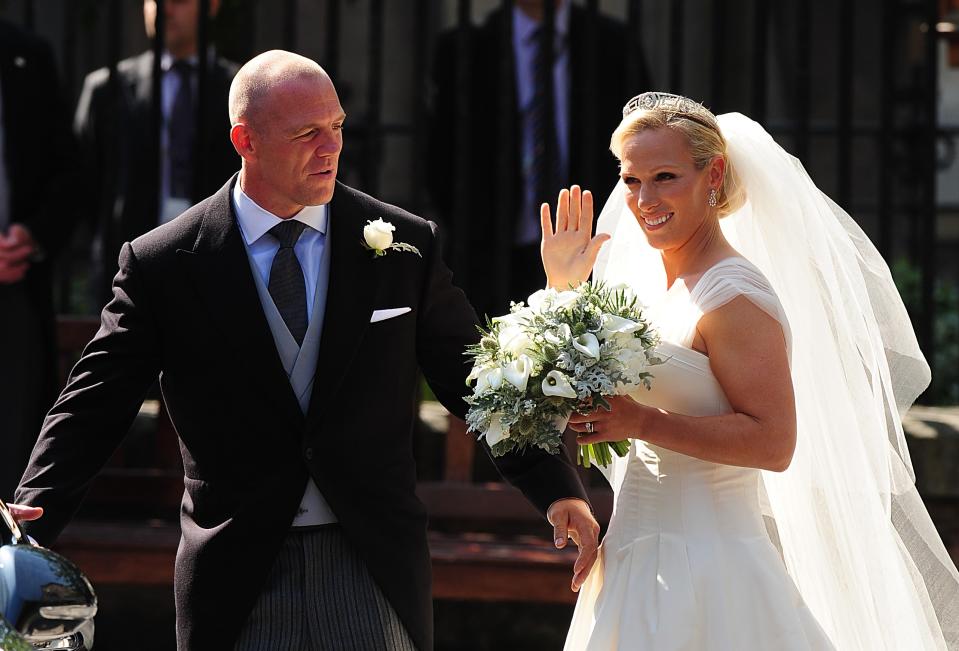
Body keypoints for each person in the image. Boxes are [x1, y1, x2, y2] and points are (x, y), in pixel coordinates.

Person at [10, 51, 599, 651]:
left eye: (337, 127)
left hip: (371, 561)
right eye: (306, 133)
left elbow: (472, 378)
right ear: (246, 140)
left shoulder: (404, 245)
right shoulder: (164, 262)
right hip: (237, 566)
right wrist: (34, 512)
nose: (330, 148)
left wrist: (554, 486)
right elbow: (96, 400)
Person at [540, 92, 959, 649]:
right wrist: (563, 288)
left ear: (712, 174)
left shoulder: (734, 297)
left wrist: (643, 423)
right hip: (632, 557)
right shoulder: (649, 289)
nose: (644, 199)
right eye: (632, 179)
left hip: (709, 567)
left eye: (665, 176)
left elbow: (773, 441)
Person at [427, 0, 651, 319]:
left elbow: (640, 143)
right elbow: (441, 153)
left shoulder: (613, 42)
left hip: (591, 241)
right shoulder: (465, 47)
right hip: (489, 249)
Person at [74, 0, 239, 303]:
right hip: (126, 264)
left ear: (211, 6)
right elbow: (83, 181)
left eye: (178, 1)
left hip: (215, 261)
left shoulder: (238, 90)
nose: (164, 9)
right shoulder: (107, 87)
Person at [0, 20, 79, 501]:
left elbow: (68, 172)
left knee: (13, 447)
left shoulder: (27, 55)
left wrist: (32, 236)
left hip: (14, 285)